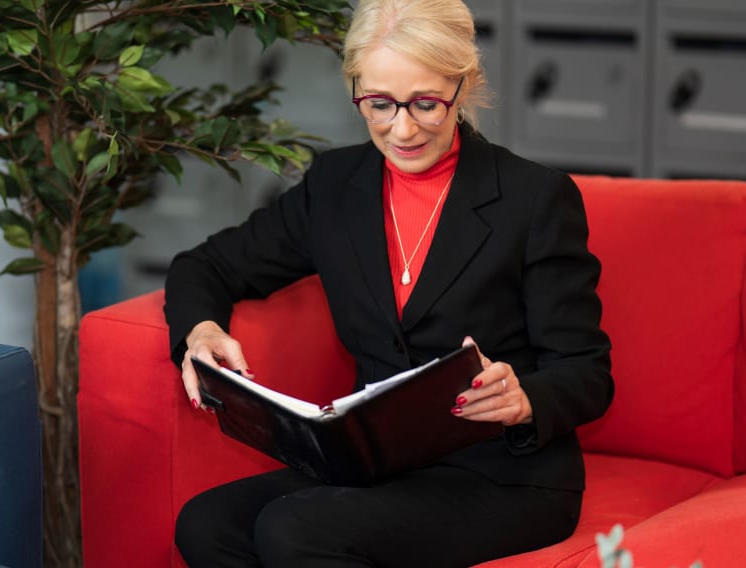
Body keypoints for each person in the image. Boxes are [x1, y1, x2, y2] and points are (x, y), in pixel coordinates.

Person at [163, 0, 613, 565]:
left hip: (503, 474)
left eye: (426, 104)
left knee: (293, 530)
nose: (402, 129)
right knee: (205, 525)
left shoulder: (535, 198)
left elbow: (586, 372)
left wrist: (523, 399)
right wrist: (201, 331)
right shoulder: (333, 186)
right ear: (356, 89)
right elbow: (205, 265)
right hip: (377, 464)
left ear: (463, 86)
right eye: (379, 104)